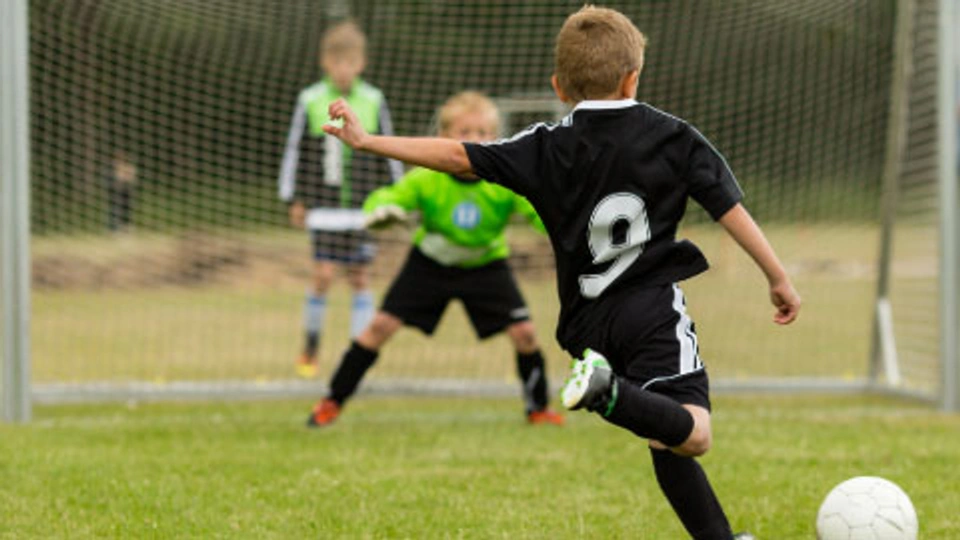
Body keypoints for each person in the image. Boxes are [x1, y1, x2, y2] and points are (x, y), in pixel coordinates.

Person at [320, 6, 801, 538]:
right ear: (633, 76)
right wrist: (777, 277)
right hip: (650, 310)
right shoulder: (674, 137)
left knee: (660, 432)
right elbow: (728, 208)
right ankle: (608, 392)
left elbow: (457, 155)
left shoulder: (543, 146)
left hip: (585, 322)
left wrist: (368, 142)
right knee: (695, 432)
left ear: (558, 85)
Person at [306, 91, 564, 427]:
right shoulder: (427, 176)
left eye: (483, 133)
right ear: (444, 138)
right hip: (429, 263)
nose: (475, 140)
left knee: (525, 334)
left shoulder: (504, 180)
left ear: (496, 137)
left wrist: (564, 228)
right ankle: (331, 402)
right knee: (379, 327)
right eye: (465, 132)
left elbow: (540, 213)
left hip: (485, 265)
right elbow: (385, 199)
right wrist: (380, 212)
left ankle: (538, 409)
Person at [278, 20, 403, 378]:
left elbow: (390, 150)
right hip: (323, 207)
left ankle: (356, 355)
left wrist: (394, 197)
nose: (344, 69)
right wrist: (294, 199)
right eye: (337, 62)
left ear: (361, 63)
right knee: (323, 274)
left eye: (351, 62)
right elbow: (295, 150)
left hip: (362, 209)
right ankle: (311, 346)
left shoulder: (374, 99)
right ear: (325, 62)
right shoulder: (310, 99)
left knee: (361, 277)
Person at [104, 150, 137, 232]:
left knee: (127, 208)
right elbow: (116, 178)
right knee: (115, 209)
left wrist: (124, 176)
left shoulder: (128, 166)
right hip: (115, 191)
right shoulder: (111, 167)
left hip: (126, 191)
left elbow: (131, 177)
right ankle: (114, 229)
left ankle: (126, 227)